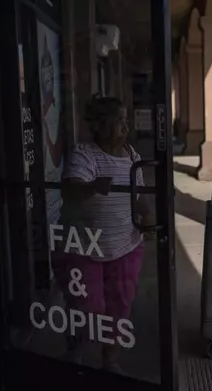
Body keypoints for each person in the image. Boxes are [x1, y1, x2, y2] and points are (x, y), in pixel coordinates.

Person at [55, 95, 155, 373]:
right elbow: (71, 190)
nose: (125, 127)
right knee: (86, 305)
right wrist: (92, 187)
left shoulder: (132, 156)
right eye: (118, 121)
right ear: (98, 126)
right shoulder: (85, 155)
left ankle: (110, 359)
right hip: (84, 248)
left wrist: (148, 218)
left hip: (124, 246)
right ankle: (76, 347)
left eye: (126, 121)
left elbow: (139, 196)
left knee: (119, 305)